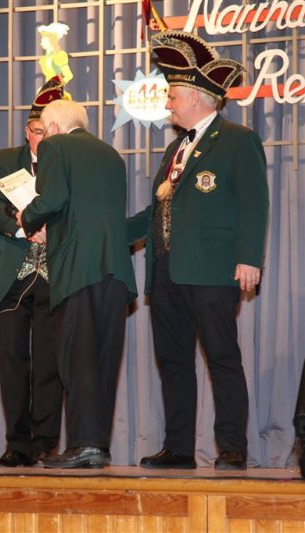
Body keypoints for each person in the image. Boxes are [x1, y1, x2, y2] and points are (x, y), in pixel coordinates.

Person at [127, 31, 269, 471]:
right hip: (166, 271)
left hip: (211, 270)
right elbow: (157, 210)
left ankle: (232, 448)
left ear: (194, 97)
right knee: (173, 362)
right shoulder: (176, 148)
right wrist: (106, 233)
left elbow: (254, 202)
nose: (167, 103)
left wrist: (250, 257)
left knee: (222, 358)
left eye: (172, 95)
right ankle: (179, 449)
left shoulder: (237, 139)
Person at [18, 99, 137, 469]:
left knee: (76, 357)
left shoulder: (55, 146)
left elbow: (52, 199)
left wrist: (27, 217)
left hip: (78, 269)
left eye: (43, 130)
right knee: (103, 360)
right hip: (115, 271)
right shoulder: (111, 155)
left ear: (53, 127)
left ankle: (84, 443)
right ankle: (96, 445)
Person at [0, 77, 66, 467]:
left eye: (50, 132)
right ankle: (17, 443)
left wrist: (54, 230)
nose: (42, 139)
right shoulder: (5, 159)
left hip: (56, 274)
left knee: (49, 363)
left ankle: (44, 443)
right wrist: (22, 224)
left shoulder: (70, 161)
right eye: (37, 131)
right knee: (12, 361)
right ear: (26, 131)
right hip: (12, 275)